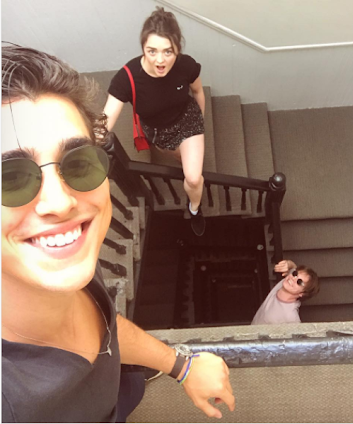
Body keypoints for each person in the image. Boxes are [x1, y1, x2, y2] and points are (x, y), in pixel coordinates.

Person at [1, 44, 234, 422]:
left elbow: (105, 324)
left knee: (130, 389)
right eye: (11, 178)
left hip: (116, 389)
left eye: (78, 163)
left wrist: (180, 365)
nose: (60, 203)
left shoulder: (70, 257)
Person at [103, 7, 207, 236]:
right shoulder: (127, 78)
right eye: (152, 51)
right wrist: (84, 143)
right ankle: (181, 156)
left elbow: (198, 91)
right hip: (158, 131)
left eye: (168, 52)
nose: (160, 60)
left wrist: (199, 122)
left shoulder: (185, 65)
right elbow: (105, 119)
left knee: (193, 178)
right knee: (175, 155)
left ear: (177, 48)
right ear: (143, 48)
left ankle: (195, 208)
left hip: (187, 120)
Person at [251, 260, 320, 325]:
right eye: (295, 274)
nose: (293, 278)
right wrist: (288, 263)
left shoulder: (291, 319)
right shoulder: (285, 282)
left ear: (302, 293)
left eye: (299, 282)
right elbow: (293, 267)